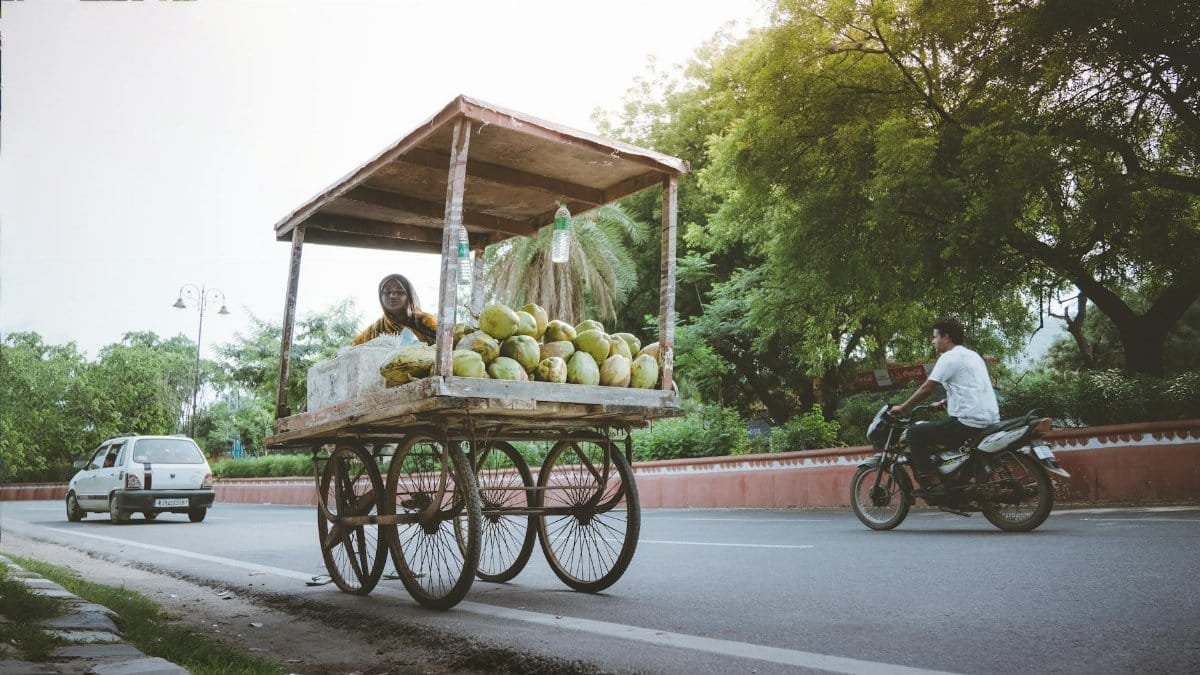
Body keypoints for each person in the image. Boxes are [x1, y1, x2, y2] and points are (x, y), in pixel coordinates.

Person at [889, 316, 999, 487]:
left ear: (946, 337)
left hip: (967, 422)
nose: (933, 341)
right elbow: (972, 387)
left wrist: (904, 407)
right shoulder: (973, 356)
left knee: (914, 433)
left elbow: (927, 388)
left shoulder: (948, 358)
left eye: (935, 337)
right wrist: (945, 401)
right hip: (990, 419)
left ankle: (931, 480)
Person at [351, 274, 438, 346]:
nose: (392, 296)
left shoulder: (426, 321)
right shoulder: (376, 329)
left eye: (400, 292)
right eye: (387, 292)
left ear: (409, 297)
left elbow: (447, 343)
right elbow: (351, 350)